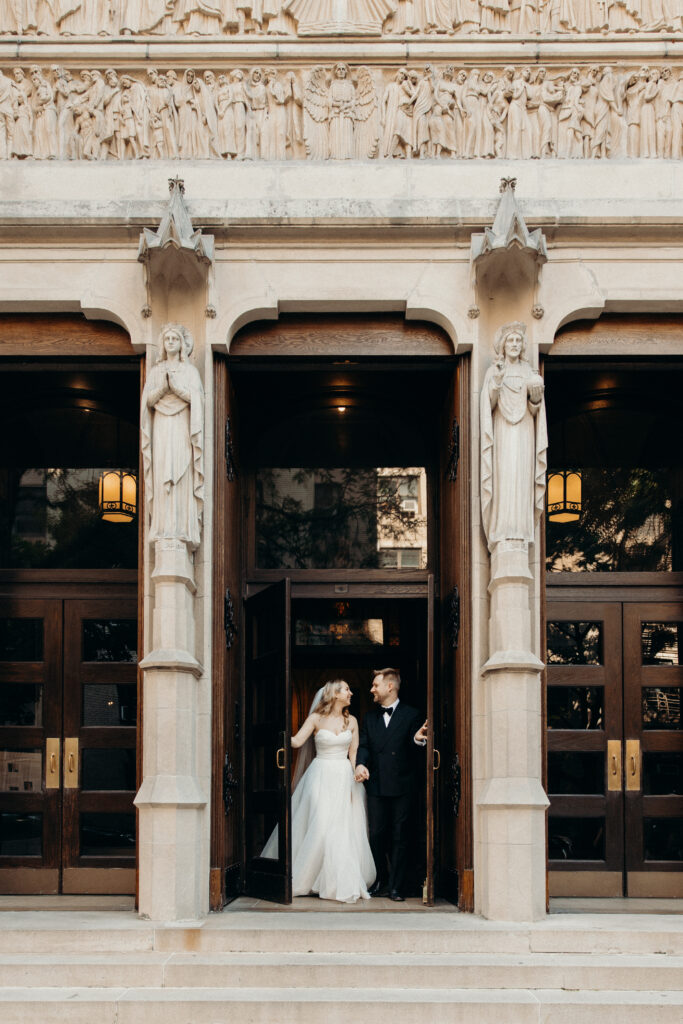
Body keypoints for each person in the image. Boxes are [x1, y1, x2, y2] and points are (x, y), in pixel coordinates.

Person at [263, 679, 376, 904]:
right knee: (321, 823)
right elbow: (296, 741)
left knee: (340, 828)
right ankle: (308, 877)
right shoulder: (315, 719)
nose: (351, 693)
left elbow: (353, 753)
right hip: (320, 776)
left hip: (344, 777)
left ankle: (332, 880)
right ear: (334, 694)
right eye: (347, 689)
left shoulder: (351, 720)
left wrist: (358, 771)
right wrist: (277, 729)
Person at [355, 668, 427, 901]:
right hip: (375, 785)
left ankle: (396, 886)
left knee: (400, 836)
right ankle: (380, 879)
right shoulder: (369, 717)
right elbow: (364, 745)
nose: (371, 689)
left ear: (390, 687)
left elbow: (413, 742)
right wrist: (360, 764)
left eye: (375, 685)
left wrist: (417, 740)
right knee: (376, 834)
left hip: (402, 785)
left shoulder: (412, 714)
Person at [480, 321, 546, 551]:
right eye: (511, 340)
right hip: (502, 432)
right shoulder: (494, 371)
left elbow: (537, 410)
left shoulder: (530, 372)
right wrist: (496, 383)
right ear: (503, 345)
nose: (515, 344)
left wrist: (536, 398)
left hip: (525, 432)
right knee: (504, 477)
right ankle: (502, 531)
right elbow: (487, 406)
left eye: (518, 340)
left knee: (522, 476)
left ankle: (521, 531)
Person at [140, 323, 204, 551]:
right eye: (166, 339)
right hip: (162, 426)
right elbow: (148, 401)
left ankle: (182, 530)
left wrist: (175, 388)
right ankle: (163, 529)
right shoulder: (157, 371)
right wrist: (163, 388)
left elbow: (196, 399)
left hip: (181, 426)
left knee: (182, 473)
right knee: (162, 475)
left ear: (182, 344)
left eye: (174, 339)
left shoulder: (190, 372)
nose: (170, 342)